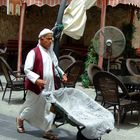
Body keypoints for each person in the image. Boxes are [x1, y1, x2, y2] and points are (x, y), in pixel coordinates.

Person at [16, 28, 67, 140]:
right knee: (30, 107)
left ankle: (47, 131)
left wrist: (62, 74)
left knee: (50, 108)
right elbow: (27, 69)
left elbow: (56, 66)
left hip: (50, 85)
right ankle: (20, 119)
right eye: (48, 39)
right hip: (37, 87)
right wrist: (36, 79)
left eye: (51, 39)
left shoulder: (51, 52)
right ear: (41, 39)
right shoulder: (33, 52)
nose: (50, 41)